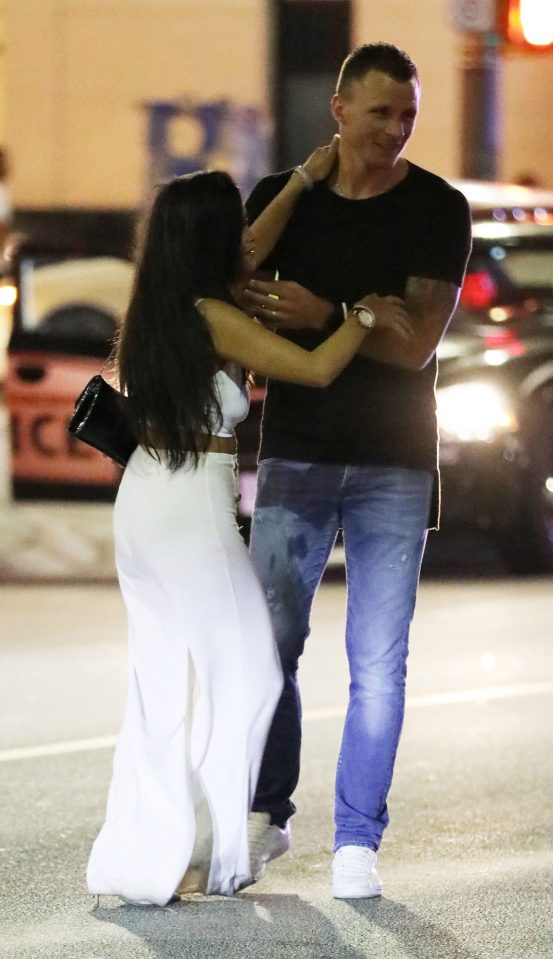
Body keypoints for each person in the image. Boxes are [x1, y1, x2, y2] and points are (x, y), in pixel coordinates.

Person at [86, 146, 413, 906]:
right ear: (210, 242)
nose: (246, 241)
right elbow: (320, 367)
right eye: (231, 230)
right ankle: (231, 850)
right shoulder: (214, 318)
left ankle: (145, 857)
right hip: (190, 506)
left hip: (143, 501)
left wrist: (300, 180)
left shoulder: (158, 310)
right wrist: (360, 312)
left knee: (160, 685)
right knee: (251, 674)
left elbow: (250, 248)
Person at [242, 42, 473, 899]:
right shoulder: (282, 200)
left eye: (407, 115)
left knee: (377, 662)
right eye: (379, 112)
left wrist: (326, 314)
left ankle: (356, 840)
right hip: (296, 451)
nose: (395, 130)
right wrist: (300, 185)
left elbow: (416, 343)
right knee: (269, 643)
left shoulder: (437, 208)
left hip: (392, 462)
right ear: (337, 110)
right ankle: (267, 813)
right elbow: (232, 276)